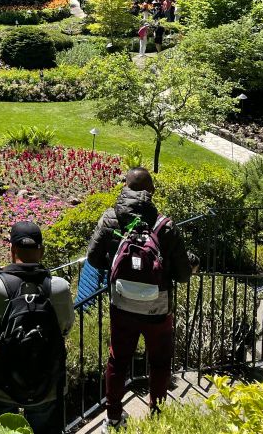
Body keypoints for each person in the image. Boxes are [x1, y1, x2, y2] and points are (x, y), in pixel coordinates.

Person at [87, 167, 199, 431]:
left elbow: (93, 258)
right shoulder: (164, 225)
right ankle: (157, 416)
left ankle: (113, 418)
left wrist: (115, 266)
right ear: (151, 191)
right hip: (157, 309)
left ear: (124, 187)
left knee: (118, 360)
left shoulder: (110, 219)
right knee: (159, 362)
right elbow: (183, 275)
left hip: (121, 304)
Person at [0, 220, 74, 434]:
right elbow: (65, 329)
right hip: (47, 381)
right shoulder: (59, 287)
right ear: (41, 250)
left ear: (12, 250)